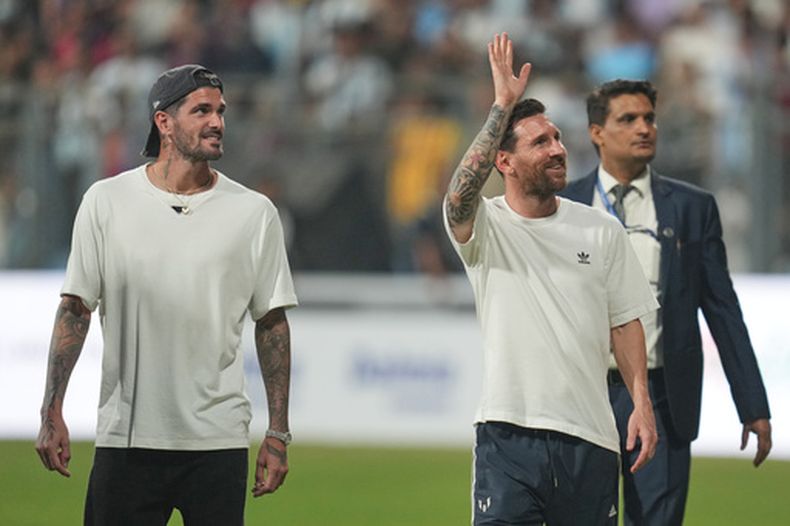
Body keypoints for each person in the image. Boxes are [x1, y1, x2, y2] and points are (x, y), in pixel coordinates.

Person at [35, 64, 298, 525]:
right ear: (164, 122)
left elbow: (272, 323)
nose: (217, 122)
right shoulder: (105, 201)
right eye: (201, 111)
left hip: (218, 443)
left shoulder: (255, 213)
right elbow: (75, 309)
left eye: (220, 111)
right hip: (127, 440)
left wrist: (277, 431)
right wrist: (51, 407)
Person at [443, 33, 659, 526]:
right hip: (507, 434)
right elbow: (458, 196)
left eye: (558, 137)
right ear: (505, 162)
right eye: (541, 142)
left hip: (591, 438)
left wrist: (642, 405)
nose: (558, 148)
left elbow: (625, 324)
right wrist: (501, 108)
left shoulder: (601, 229)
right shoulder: (487, 227)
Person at [560, 79, 772, 525]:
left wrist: (752, 404)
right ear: (596, 132)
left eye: (649, 118)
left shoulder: (693, 208)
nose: (644, 128)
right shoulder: (563, 206)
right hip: (582, 394)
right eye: (628, 119)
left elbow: (722, 311)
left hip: (662, 395)